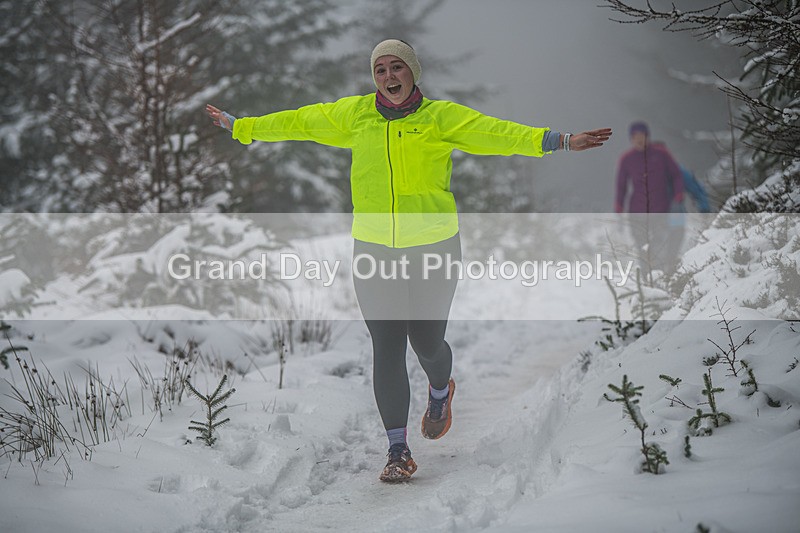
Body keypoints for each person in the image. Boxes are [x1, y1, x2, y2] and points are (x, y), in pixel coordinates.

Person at [206, 39, 611, 482]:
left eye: (397, 67)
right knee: (387, 347)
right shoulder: (355, 115)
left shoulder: (439, 118)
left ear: (412, 72)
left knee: (427, 345)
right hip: (375, 250)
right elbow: (300, 121)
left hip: (433, 248)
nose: (388, 77)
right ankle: (397, 449)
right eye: (380, 70)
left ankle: (441, 389)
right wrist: (242, 127)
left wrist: (560, 141)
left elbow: (497, 132)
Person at [615, 121, 684, 275]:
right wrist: (619, 204)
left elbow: (676, 175)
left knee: (659, 243)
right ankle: (647, 276)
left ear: (648, 137)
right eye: (635, 137)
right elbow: (621, 185)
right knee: (642, 246)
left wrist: (679, 194)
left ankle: (658, 275)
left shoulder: (661, 154)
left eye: (642, 136)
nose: (639, 140)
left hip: (661, 208)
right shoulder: (627, 159)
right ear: (631, 139)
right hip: (637, 211)